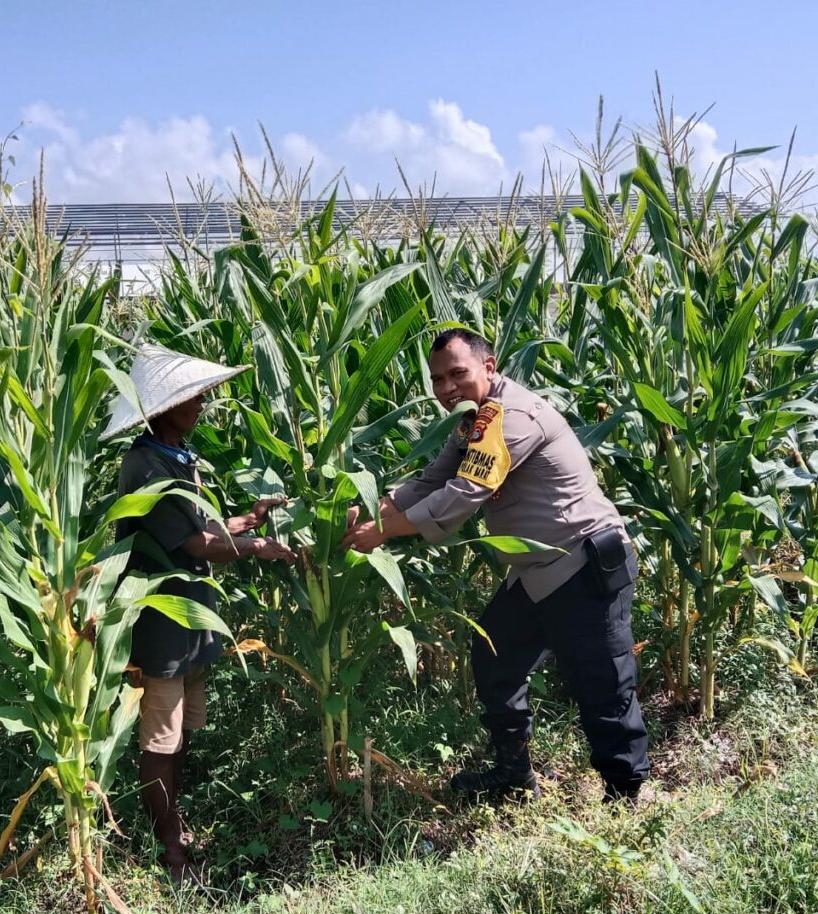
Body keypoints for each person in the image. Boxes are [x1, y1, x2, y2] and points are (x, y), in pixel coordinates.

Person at [342, 328, 649, 804]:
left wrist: (383, 532)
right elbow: (432, 481)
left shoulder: (512, 418)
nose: (447, 388)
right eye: (437, 379)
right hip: (536, 573)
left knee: (603, 683)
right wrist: (372, 507)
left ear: (489, 366)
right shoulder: (473, 422)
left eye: (457, 373)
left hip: (583, 563)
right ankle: (513, 773)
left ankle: (627, 794)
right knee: (494, 656)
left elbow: (464, 493)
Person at [105, 344, 295, 882]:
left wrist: (247, 521)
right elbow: (193, 547)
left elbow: (201, 530)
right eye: (191, 395)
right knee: (160, 738)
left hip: (188, 620)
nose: (202, 402)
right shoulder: (145, 465)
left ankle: (173, 819)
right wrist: (258, 549)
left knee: (181, 730)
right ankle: (169, 846)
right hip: (162, 624)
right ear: (160, 406)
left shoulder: (174, 456)